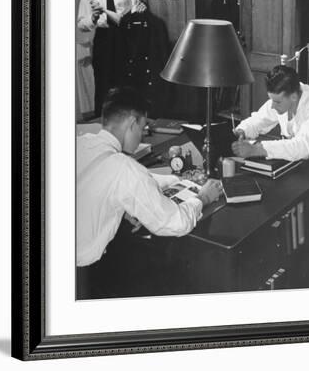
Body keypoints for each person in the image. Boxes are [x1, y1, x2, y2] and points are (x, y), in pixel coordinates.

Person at [77, 87, 222, 296]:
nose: (143, 134)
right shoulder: (124, 168)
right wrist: (203, 197)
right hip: (85, 278)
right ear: (132, 123)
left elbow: (116, 180)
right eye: (143, 127)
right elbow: (175, 223)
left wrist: (176, 179)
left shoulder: (80, 143)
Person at [77, 0, 147, 117]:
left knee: (126, 84)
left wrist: (139, 11)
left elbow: (135, 12)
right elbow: (81, 24)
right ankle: (102, 127)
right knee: (103, 85)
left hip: (126, 38)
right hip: (103, 39)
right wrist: (92, 18)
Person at [232, 65, 309, 162]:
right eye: (271, 100)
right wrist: (243, 130)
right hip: (299, 164)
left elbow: (303, 147)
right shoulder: (284, 97)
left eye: (277, 102)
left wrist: (257, 149)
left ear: (293, 97)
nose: (272, 106)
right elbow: (258, 120)